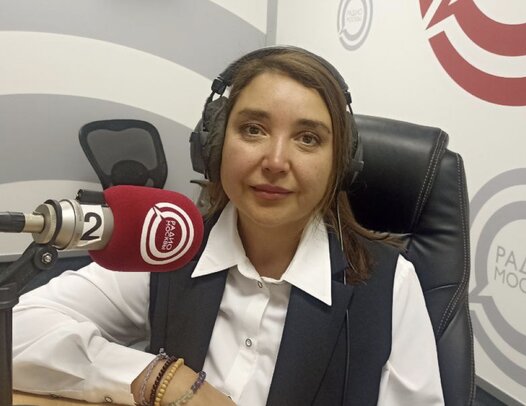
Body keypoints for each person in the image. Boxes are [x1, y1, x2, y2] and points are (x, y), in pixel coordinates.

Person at [12, 46, 444, 405]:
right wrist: (160, 379)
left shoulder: (389, 285)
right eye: (253, 129)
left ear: (341, 165)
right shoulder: (169, 247)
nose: (275, 161)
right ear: (213, 147)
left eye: (308, 138)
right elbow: (15, 330)